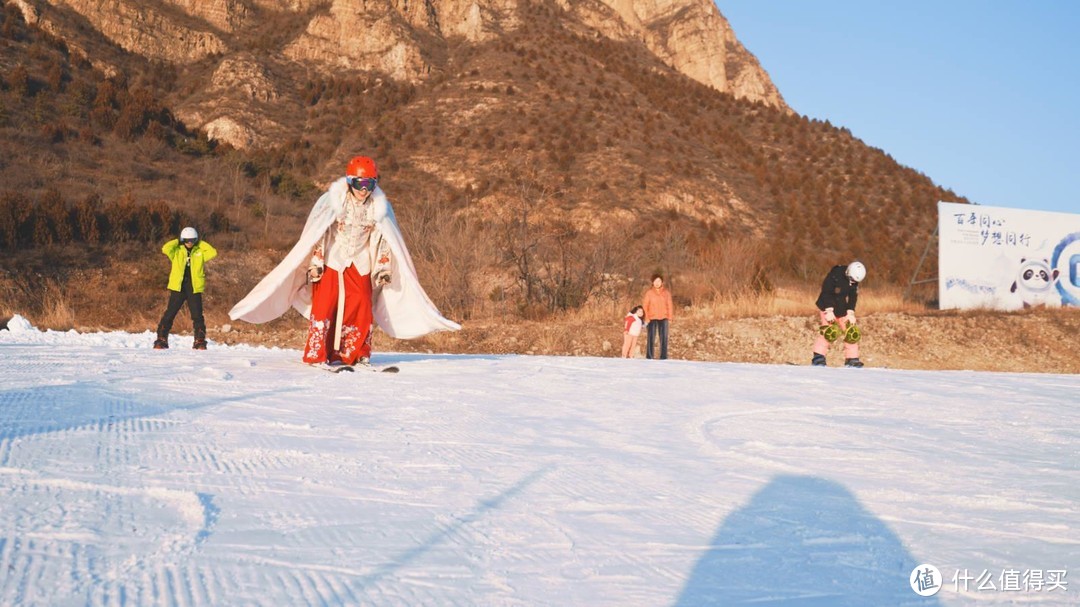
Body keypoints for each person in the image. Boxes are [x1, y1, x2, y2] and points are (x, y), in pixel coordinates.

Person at [228, 155, 460, 367]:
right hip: (333, 257)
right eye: (360, 184)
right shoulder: (333, 201)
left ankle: (356, 353)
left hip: (360, 260)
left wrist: (382, 266)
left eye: (370, 184)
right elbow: (319, 232)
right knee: (325, 304)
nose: (364, 190)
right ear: (350, 182)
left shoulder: (379, 207)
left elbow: (384, 238)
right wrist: (316, 261)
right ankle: (318, 354)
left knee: (361, 304)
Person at [154, 226, 217, 350]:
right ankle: (161, 339)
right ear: (183, 240)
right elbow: (165, 248)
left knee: (197, 315)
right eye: (187, 240)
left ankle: (199, 341)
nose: (190, 243)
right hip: (178, 287)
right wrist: (178, 241)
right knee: (170, 313)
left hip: (194, 287)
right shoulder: (176, 251)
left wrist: (199, 242)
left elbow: (213, 252)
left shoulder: (200, 251)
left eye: (193, 240)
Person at [811, 261, 865, 367]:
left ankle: (852, 359)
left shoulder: (853, 280)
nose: (853, 282)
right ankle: (818, 357)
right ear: (848, 273)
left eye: (855, 281)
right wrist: (829, 310)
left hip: (841, 307)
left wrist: (850, 312)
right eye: (852, 279)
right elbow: (826, 293)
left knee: (851, 332)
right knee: (829, 332)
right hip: (827, 306)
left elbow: (853, 296)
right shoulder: (835, 276)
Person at [642, 273, 674, 359]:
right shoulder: (649, 293)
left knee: (664, 338)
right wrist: (646, 317)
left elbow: (669, 305)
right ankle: (649, 356)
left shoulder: (666, 293)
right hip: (651, 318)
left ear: (662, 282)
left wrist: (670, 317)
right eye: (655, 281)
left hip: (664, 318)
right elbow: (645, 306)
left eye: (659, 281)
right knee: (651, 338)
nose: (657, 283)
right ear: (652, 282)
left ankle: (663, 357)